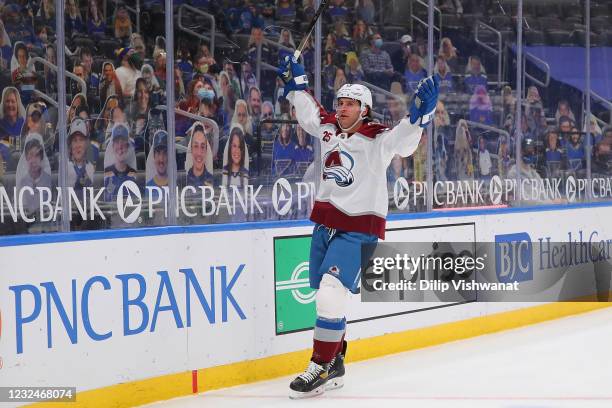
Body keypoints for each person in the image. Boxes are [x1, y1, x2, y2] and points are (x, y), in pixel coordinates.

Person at [277, 55, 439, 398]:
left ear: (364, 109)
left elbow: (404, 143)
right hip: (325, 225)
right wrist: (296, 83)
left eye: (350, 104)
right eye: (340, 102)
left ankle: (319, 365)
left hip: (359, 228)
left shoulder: (377, 137)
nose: (343, 108)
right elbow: (309, 111)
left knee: (330, 294)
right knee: (326, 296)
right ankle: (335, 361)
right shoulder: (328, 127)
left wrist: (419, 118)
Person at [103, 123, 137, 201]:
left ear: (128, 146)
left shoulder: (134, 176)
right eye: (117, 142)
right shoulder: (106, 176)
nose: (120, 146)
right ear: (112, 146)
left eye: (123, 142)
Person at [66, 118, 95, 195]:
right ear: (70, 145)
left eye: (81, 140)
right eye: (75, 140)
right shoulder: (64, 168)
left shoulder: (91, 168)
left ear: (86, 143)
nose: (78, 145)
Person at [185, 121, 214, 188]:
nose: (199, 153)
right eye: (196, 146)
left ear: (207, 150)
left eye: (203, 147)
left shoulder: (214, 180)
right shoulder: (182, 180)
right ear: (191, 149)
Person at [146, 130, 169, 199]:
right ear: (153, 156)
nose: (161, 159)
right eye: (158, 153)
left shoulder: (175, 184)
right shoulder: (148, 187)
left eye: (164, 153)